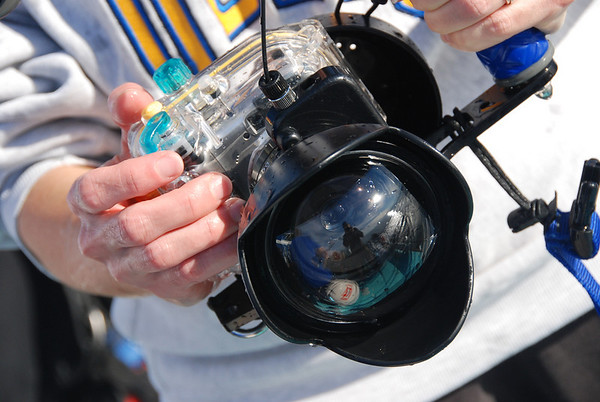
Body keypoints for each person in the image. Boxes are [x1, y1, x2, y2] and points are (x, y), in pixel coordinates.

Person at [2, 0, 597, 401]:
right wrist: (126, 242)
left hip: (563, 265)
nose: (342, 226)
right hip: (272, 385)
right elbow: (23, 170)